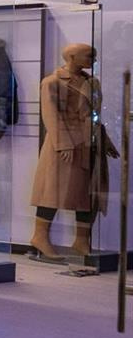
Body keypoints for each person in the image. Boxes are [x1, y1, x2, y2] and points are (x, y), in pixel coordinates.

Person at [28, 42, 118, 261]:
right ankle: (39, 236)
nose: (93, 61)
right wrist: (64, 144)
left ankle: (81, 240)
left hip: (89, 144)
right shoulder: (52, 82)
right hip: (65, 145)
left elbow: (94, 116)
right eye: (89, 56)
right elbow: (50, 115)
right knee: (53, 191)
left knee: (89, 192)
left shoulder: (92, 82)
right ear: (72, 57)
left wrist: (104, 140)